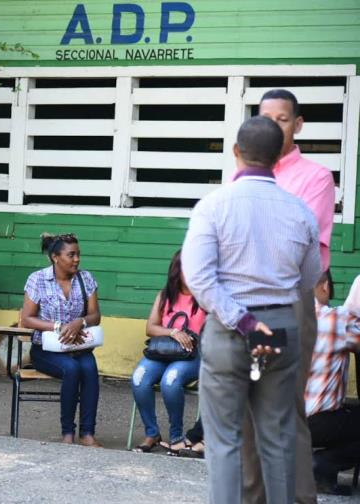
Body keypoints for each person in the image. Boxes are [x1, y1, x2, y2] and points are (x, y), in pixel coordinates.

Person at [182, 115, 321, 504]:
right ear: (279, 156)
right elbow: (309, 278)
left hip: (231, 328)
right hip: (280, 326)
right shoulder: (300, 211)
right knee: (278, 437)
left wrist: (243, 320)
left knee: (225, 439)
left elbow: (200, 278)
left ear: (236, 153)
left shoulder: (213, 206)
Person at [241, 88, 336, 504]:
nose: (272, 125)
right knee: (245, 406)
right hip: (244, 306)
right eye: (265, 117)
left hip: (288, 303)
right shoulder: (240, 173)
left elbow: (305, 250)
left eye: (282, 118)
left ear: (297, 125)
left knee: (283, 407)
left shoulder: (314, 177)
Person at [20, 233, 102, 447]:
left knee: (90, 369)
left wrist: (79, 322)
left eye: (78, 254)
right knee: (72, 370)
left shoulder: (86, 279)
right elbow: (27, 319)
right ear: (55, 257)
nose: (77, 259)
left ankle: (87, 434)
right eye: (71, 255)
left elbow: (95, 315)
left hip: (79, 347)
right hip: (46, 349)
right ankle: (68, 433)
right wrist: (58, 327)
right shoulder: (37, 279)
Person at [131, 250, 206, 453]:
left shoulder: (205, 296)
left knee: (170, 381)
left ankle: (176, 437)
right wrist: (174, 332)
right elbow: (151, 327)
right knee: (139, 378)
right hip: (163, 351)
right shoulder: (165, 296)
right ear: (177, 271)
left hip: (191, 354)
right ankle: (152, 433)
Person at [305, 272, 360, 496]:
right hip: (316, 421)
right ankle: (323, 464)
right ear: (325, 286)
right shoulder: (336, 320)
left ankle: (322, 474)